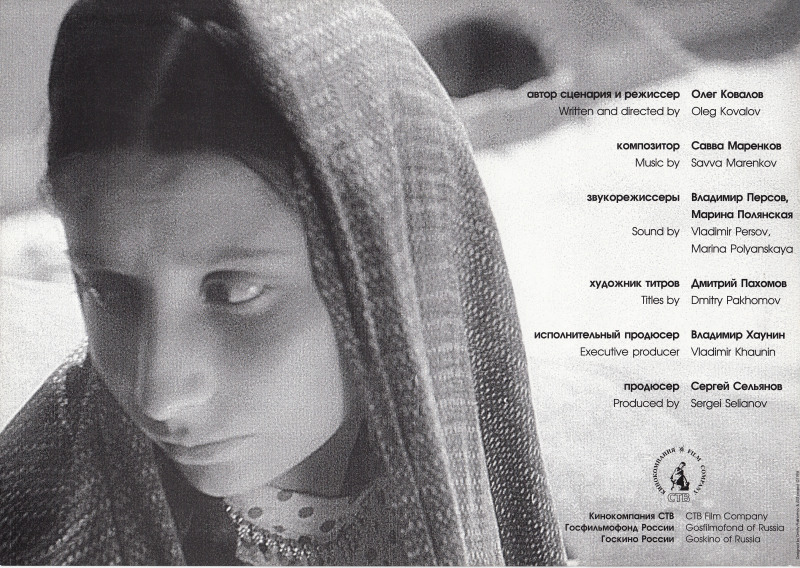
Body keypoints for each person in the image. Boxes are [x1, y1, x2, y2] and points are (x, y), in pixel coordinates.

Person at [0, 0, 566, 564]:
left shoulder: (503, 495)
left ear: (387, 270)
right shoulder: (39, 518)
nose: (159, 393)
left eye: (231, 290)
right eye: (107, 291)